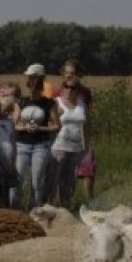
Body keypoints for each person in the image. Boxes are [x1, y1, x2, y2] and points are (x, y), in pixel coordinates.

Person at [10, 63, 60, 210]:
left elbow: (56, 126)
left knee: (37, 182)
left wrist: (41, 128)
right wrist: (25, 128)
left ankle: (35, 212)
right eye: (30, 81)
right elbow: (14, 124)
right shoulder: (21, 101)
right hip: (22, 145)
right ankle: (16, 211)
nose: (32, 85)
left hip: (41, 145)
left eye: (35, 81)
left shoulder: (49, 103)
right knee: (18, 179)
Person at [59, 60, 97, 207]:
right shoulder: (57, 92)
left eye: (72, 73)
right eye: (67, 73)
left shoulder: (85, 93)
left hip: (81, 138)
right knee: (65, 174)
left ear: (78, 75)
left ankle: (90, 202)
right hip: (63, 140)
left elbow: (87, 118)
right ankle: (65, 205)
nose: (69, 76)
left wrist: (88, 141)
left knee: (88, 168)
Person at [48, 80, 88, 209]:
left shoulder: (82, 104)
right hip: (59, 146)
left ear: (77, 90)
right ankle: (49, 207)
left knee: (70, 181)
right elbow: (50, 122)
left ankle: (66, 208)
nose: (69, 90)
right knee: (54, 179)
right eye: (66, 87)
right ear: (62, 88)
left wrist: (86, 145)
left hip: (76, 147)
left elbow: (87, 125)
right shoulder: (56, 103)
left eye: (73, 88)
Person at [0, 84, 21, 207]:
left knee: (6, 190)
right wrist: (5, 163)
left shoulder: (9, 121)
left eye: (8, 97)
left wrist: (12, 162)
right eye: (3, 97)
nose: (6, 100)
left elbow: (13, 142)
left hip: (9, 160)